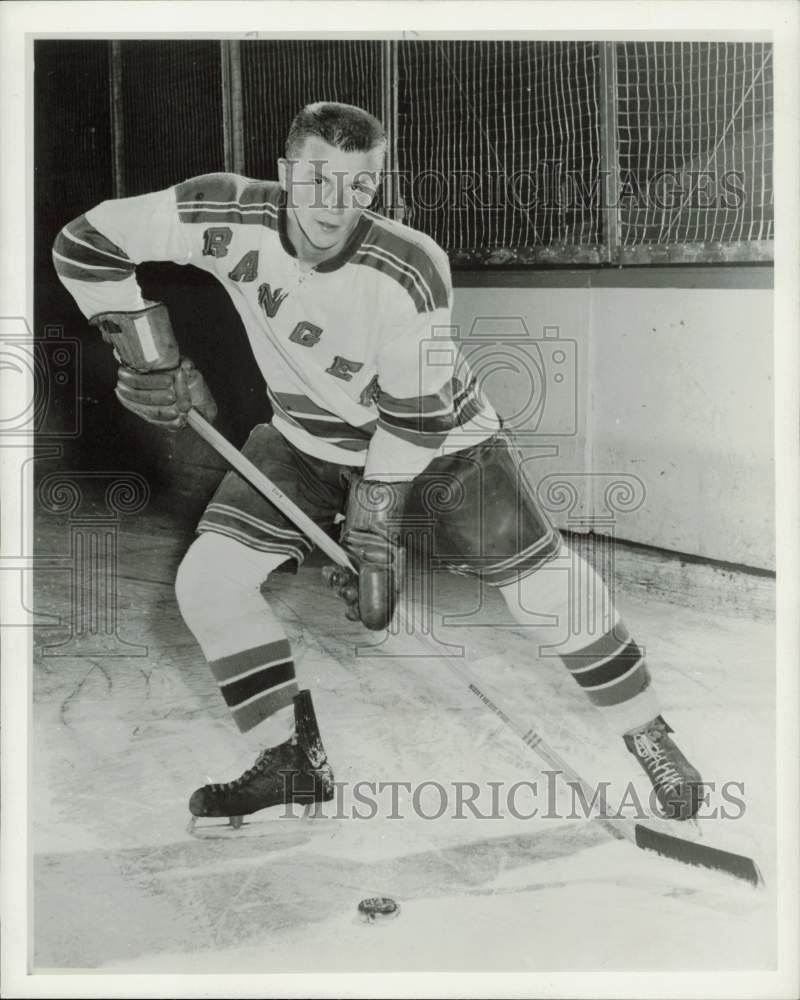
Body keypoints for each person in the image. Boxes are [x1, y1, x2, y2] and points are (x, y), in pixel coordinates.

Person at [53, 101, 703, 825]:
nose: (336, 204)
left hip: (441, 446)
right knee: (208, 583)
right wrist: (149, 353)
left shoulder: (410, 267)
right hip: (306, 439)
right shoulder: (220, 211)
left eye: (360, 186)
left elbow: (415, 418)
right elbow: (84, 243)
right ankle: (290, 759)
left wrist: (373, 537)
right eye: (319, 179)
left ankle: (650, 734)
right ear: (284, 172)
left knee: (545, 587)